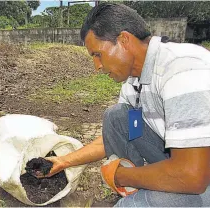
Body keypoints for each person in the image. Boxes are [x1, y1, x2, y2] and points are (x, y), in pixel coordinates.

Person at [38, 3, 210, 207]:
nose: (97, 67)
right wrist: (63, 162)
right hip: (185, 161)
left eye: (97, 54)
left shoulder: (182, 70)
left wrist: (122, 176)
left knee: (129, 206)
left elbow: (193, 176)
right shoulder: (134, 81)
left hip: (200, 177)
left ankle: (138, 196)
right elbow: (112, 137)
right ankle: (143, 190)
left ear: (124, 40)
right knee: (117, 117)